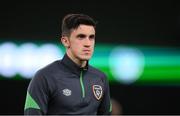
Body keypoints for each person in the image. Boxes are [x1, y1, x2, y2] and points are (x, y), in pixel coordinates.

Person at [24, 13, 112, 115]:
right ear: (65, 41)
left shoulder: (100, 78)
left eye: (91, 37)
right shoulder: (44, 77)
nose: (88, 43)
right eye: (81, 37)